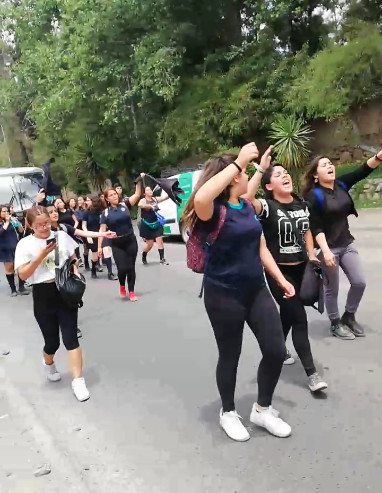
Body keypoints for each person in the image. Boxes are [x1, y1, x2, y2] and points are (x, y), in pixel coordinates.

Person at [182, 144, 296, 442]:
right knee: (230, 355)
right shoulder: (211, 211)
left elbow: (259, 247)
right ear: (232, 177)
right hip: (223, 294)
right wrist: (241, 161)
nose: (244, 176)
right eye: (241, 172)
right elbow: (202, 196)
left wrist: (280, 279)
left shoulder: (244, 205)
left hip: (256, 289)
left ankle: (262, 409)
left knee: (275, 350)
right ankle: (228, 412)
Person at [243, 147, 327, 393]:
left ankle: (278, 347)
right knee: (299, 318)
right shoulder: (266, 207)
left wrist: (312, 255)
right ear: (269, 186)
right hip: (279, 273)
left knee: (290, 314)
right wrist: (260, 168)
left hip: (303, 269)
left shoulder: (301, 204)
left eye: (285, 172)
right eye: (277, 174)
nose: (284, 175)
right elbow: (247, 199)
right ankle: (312, 374)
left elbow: (308, 231)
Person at [302, 151, 382, 339]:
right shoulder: (314, 196)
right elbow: (316, 227)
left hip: (346, 243)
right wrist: (326, 252)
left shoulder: (341, 185)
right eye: (324, 165)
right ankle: (335, 322)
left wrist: (378, 157)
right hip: (328, 248)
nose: (330, 166)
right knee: (332, 289)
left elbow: (362, 171)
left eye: (330, 163)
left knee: (359, 282)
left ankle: (349, 316)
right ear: (315, 175)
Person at [15, 206, 89, 402]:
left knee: (71, 338)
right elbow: (22, 274)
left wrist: (74, 268)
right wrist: (41, 255)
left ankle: (78, 381)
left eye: (46, 223)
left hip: (64, 291)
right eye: (38, 225)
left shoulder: (61, 236)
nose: (44, 228)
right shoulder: (25, 244)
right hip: (42, 294)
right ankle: (49, 364)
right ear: (30, 225)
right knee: (52, 342)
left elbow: (74, 257)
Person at [99, 176, 144, 300]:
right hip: (117, 243)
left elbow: (137, 193)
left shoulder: (125, 205)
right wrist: (99, 247)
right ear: (107, 199)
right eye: (111, 195)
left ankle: (131, 292)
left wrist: (138, 181)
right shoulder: (105, 213)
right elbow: (102, 231)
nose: (115, 196)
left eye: (115, 194)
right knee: (122, 268)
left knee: (131, 267)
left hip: (130, 240)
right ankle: (121, 285)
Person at [82, 195, 117, 280]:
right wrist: (88, 235)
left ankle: (110, 273)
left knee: (106, 251)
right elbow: (84, 226)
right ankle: (93, 269)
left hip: (103, 234)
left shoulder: (103, 212)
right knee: (95, 257)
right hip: (92, 234)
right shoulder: (86, 212)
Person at [0, 205, 30, 296]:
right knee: (9, 269)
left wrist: (18, 223)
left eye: (7, 211)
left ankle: (21, 287)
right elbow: (1, 232)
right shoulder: (3, 223)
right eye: (4, 211)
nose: (6, 213)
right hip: (5, 249)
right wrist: (7, 222)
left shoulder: (12, 221)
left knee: (21, 266)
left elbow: (21, 231)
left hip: (16, 247)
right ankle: (13, 289)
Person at [138, 186, 170, 265]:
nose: (150, 191)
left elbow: (165, 197)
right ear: (144, 193)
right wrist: (149, 206)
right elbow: (140, 205)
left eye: (150, 189)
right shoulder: (143, 200)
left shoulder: (155, 199)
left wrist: (170, 191)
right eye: (148, 190)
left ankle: (162, 258)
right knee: (150, 244)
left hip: (156, 223)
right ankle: (144, 254)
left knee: (160, 240)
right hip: (146, 224)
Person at [73, 196, 90, 270]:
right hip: (82, 230)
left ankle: (97, 264)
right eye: (78, 200)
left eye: (80, 200)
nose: (78, 201)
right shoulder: (77, 211)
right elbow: (79, 219)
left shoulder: (89, 209)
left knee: (94, 247)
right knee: (86, 247)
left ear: (84, 201)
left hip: (91, 228)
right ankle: (86, 262)